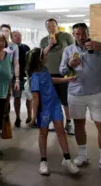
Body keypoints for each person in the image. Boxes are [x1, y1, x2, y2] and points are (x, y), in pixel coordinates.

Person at [60, 23, 101, 176]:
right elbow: (62, 70)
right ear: (73, 35)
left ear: (87, 33)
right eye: (77, 34)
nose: (80, 37)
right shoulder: (68, 50)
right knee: (79, 124)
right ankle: (82, 155)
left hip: (96, 93)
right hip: (75, 93)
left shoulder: (99, 47)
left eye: (83, 33)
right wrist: (69, 64)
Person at [26, 48, 79, 176]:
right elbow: (35, 98)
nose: (46, 56)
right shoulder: (34, 76)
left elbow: (51, 80)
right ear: (39, 59)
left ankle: (67, 159)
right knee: (43, 134)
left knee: (61, 130)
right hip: (44, 109)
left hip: (55, 104)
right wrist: (33, 117)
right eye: (44, 55)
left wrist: (68, 79)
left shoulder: (44, 70)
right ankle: (43, 161)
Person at [40, 18, 75, 134]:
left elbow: (74, 51)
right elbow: (41, 55)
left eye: (53, 26)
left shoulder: (66, 36)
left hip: (63, 73)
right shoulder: (44, 40)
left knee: (65, 99)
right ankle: (56, 122)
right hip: (49, 74)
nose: (51, 28)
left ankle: (69, 123)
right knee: (51, 100)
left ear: (57, 25)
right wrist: (49, 45)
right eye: (49, 26)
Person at [11, 31, 32, 127]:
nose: (18, 37)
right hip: (15, 78)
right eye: (16, 36)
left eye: (20, 36)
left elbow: (30, 61)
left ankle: (29, 117)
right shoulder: (9, 48)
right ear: (11, 38)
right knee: (17, 97)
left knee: (29, 97)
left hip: (26, 76)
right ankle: (18, 117)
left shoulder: (26, 47)